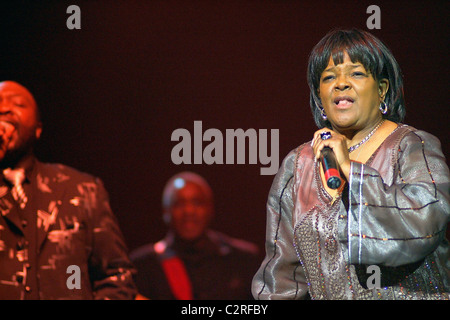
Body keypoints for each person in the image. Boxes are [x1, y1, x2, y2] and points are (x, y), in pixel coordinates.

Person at [252, 29, 449, 300]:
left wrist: (352, 170)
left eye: (356, 73)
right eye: (329, 77)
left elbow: (424, 224)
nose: (341, 84)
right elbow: (282, 278)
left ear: (382, 90)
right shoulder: (297, 166)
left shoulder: (412, 147)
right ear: (319, 96)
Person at [0, 81, 137, 299]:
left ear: (38, 129)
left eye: (18, 104)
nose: (4, 108)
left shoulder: (81, 188)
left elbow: (116, 275)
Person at [130, 171, 260, 300]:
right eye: (179, 203)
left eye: (197, 202)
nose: (189, 211)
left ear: (210, 209)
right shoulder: (142, 266)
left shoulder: (243, 259)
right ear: (166, 212)